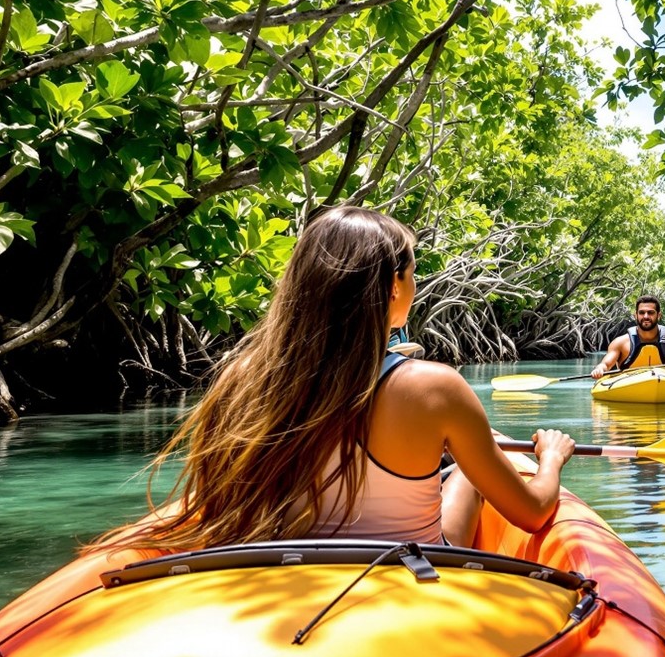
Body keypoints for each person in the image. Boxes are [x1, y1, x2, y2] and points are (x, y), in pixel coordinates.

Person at [89, 206, 574, 553]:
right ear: (392, 286)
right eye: (412, 270)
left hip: (277, 567)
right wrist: (550, 459)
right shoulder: (434, 388)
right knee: (472, 465)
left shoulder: (239, 377)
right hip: (413, 568)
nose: (415, 283)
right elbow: (531, 512)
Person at [592, 296, 665, 378]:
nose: (646, 316)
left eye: (650, 313)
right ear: (636, 315)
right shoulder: (620, 342)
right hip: (628, 383)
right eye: (642, 313)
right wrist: (599, 369)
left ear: (659, 315)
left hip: (664, 381)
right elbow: (605, 364)